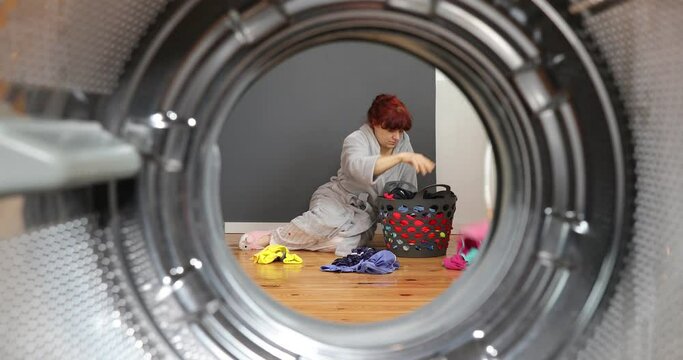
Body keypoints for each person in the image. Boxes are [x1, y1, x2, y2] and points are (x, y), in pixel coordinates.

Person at [239, 94, 436, 256]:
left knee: (344, 245)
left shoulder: (403, 143)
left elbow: (406, 189)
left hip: (365, 214)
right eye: (391, 130)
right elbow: (357, 168)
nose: (397, 137)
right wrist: (401, 157)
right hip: (336, 199)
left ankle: (302, 238)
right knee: (325, 222)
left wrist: (410, 222)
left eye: (401, 131)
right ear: (375, 123)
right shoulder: (355, 140)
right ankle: (272, 238)